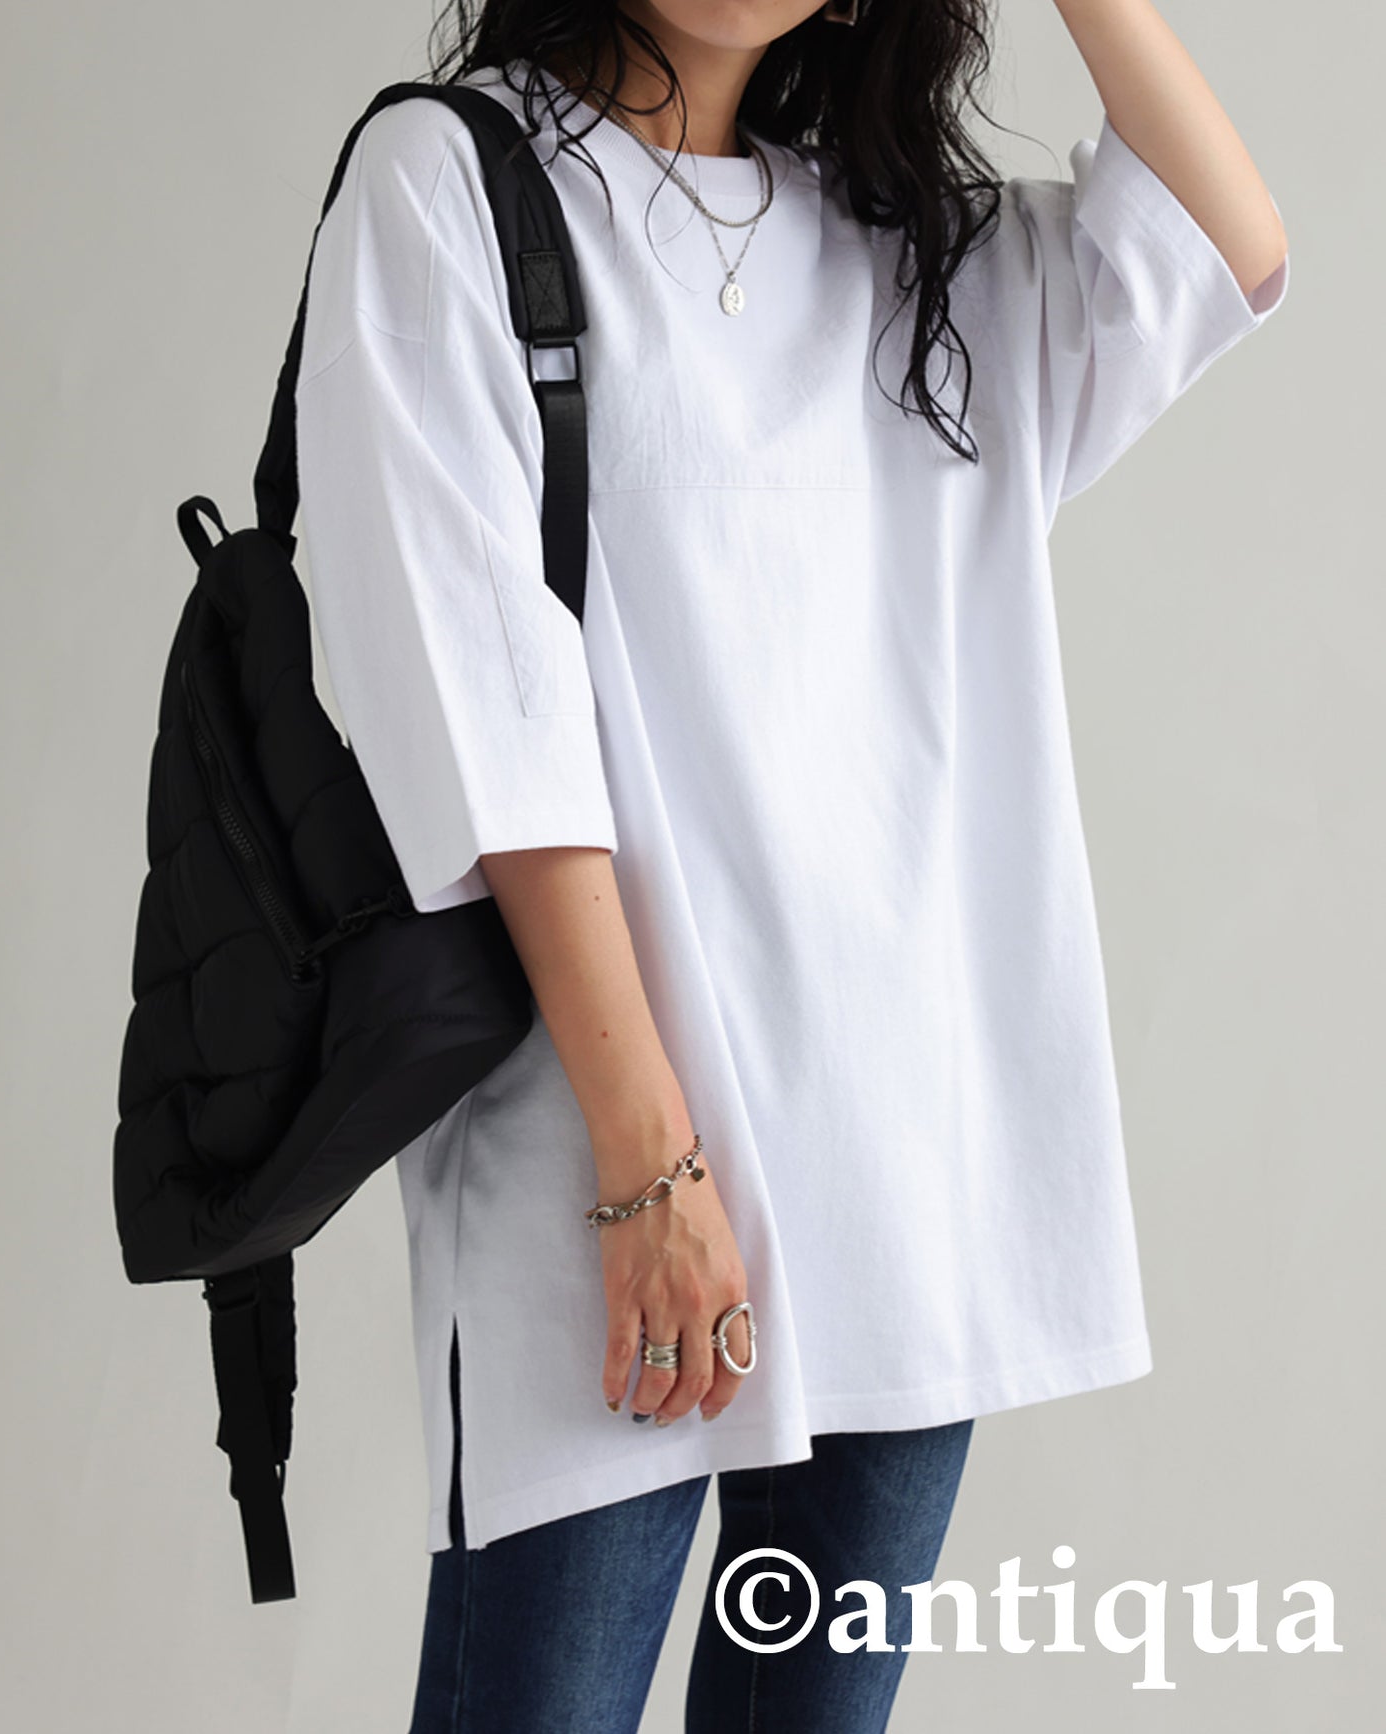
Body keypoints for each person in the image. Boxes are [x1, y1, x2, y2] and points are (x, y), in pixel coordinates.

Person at [292, 1, 1289, 1726]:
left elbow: (1227, 243)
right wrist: (648, 1169)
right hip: (606, 1171)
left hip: (903, 1179)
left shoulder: (903, 246)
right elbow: (483, 709)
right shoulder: (451, 179)